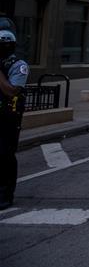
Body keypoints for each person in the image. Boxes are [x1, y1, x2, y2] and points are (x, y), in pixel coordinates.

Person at [0, 30, 28, 210]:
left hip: (8, 116)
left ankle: (5, 194)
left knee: (5, 154)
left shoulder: (18, 65)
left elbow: (12, 90)